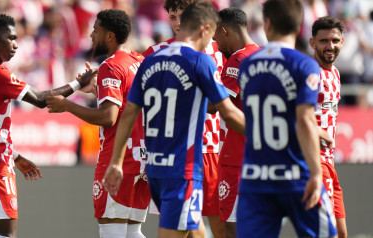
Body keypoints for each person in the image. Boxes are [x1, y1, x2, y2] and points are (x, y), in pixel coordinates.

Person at [102, 2, 245, 238]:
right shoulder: (200, 60)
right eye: (172, 16)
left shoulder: (152, 59)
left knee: (193, 228)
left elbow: (129, 111)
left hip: (163, 163)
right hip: (185, 165)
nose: (176, 22)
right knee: (204, 229)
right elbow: (227, 111)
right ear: (206, 29)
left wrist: (116, 161)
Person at [0, 13, 97, 238]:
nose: (16, 45)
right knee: (6, 235)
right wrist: (79, 82)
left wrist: (15, 155)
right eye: (11, 38)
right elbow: (41, 99)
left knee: (2, 233)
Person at [236, 0, 338, 237]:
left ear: (267, 23)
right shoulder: (305, 66)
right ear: (300, 25)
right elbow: (303, 120)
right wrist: (315, 173)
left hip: (256, 177)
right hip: (295, 175)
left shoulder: (247, 64)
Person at [46, 9, 150, 238]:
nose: (91, 36)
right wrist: (96, 89)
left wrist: (67, 105)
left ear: (110, 36)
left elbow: (109, 116)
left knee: (111, 231)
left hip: (119, 158)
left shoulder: (110, 66)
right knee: (132, 231)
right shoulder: (139, 60)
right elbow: (125, 102)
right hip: (142, 158)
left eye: (96, 30)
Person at [143, 1, 226, 236]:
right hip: (175, 155)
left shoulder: (219, 52)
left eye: (182, 16)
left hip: (211, 150)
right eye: (172, 17)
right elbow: (132, 94)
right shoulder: (155, 52)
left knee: (219, 229)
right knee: (186, 227)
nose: (178, 23)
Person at [212, 7, 260, 238]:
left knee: (231, 229)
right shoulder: (262, 54)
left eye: (216, 36)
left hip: (235, 158)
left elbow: (217, 105)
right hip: (260, 157)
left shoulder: (237, 60)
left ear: (224, 31)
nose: (215, 42)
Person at [310, 16, 347, 238]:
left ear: (342, 41)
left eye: (334, 40)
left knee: (340, 233)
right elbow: (289, 115)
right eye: (324, 41)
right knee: (327, 232)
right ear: (312, 43)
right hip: (313, 159)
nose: (330, 46)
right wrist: (317, 132)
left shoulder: (335, 73)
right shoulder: (309, 73)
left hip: (328, 159)